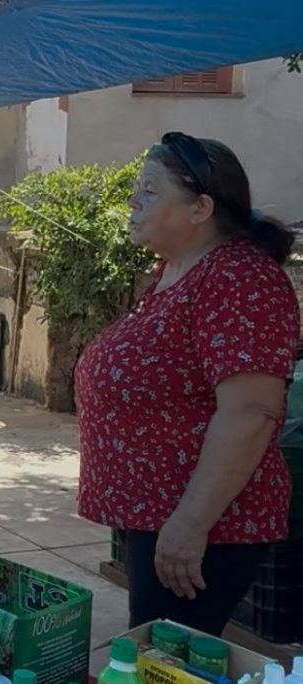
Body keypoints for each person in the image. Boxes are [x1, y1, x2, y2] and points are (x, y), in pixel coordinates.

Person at [75, 132, 299, 634]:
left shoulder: (239, 278)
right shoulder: (176, 271)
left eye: (150, 191)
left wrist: (189, 525)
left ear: (200, 208)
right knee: (157, 653)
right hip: (158, 517)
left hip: (203, 525)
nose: (134, 201)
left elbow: (249, 412)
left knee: (169, 661)